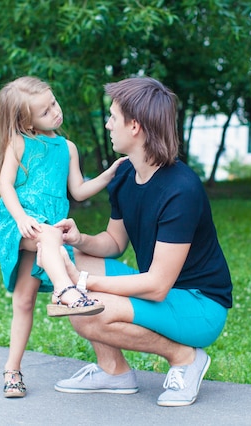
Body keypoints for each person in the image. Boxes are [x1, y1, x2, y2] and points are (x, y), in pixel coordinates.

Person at [43, 76, 233, 407]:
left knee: (87, 310)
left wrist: (83, 283)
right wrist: (80, 238)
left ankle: (186, 357)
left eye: (113, 117)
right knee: (74, 258)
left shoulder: (180, 190)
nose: (107, 124)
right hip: (163, 293)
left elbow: (158, 286)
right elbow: (114, 242)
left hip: (200, 305)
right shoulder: (125, 175)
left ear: (135, 126)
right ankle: (113, 372)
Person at [0, 76, 125, 398]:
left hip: (47, 227)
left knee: (23, 300)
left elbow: (78, 190)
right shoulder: (19, 142)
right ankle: (67, 291)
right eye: (44, 111)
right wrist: (21, 218)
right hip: (17, 222)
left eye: (53, 103)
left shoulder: (67, 148)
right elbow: (5, 185)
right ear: (26, 121)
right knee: (50, 238)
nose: (55, 111)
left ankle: (12, 370)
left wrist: (108, 174)